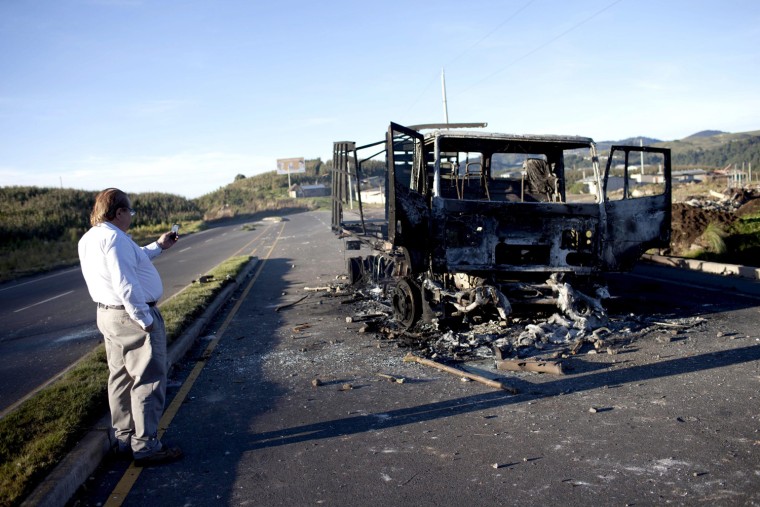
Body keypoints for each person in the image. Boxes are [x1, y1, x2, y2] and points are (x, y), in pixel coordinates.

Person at [78, 188, 183, 467]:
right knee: (147, 379)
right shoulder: (115, 239)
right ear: (119, 212)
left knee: (120, 377)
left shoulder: (91, 238)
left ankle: (124, 438)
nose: (131, 217)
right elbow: (126, 285)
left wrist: (159, 246)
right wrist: (145, 320)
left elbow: (133, 261)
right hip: (132, 316)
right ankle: (147, 446)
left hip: (108, 315)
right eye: (130, 212)